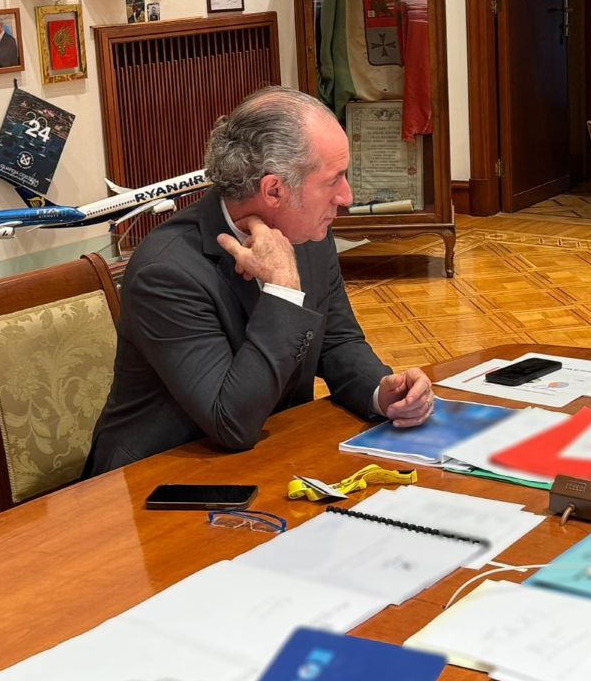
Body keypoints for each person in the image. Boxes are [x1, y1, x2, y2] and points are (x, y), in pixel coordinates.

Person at [84, 87, 434, 474]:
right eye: (334, 179)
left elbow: (337, 341)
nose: (346, 196)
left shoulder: (307, 234)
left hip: (271, 453)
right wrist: (283, 289)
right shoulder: (167, 272)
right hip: (160, 477)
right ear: (274, 190)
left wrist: (381, 392)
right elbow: (230, 421)